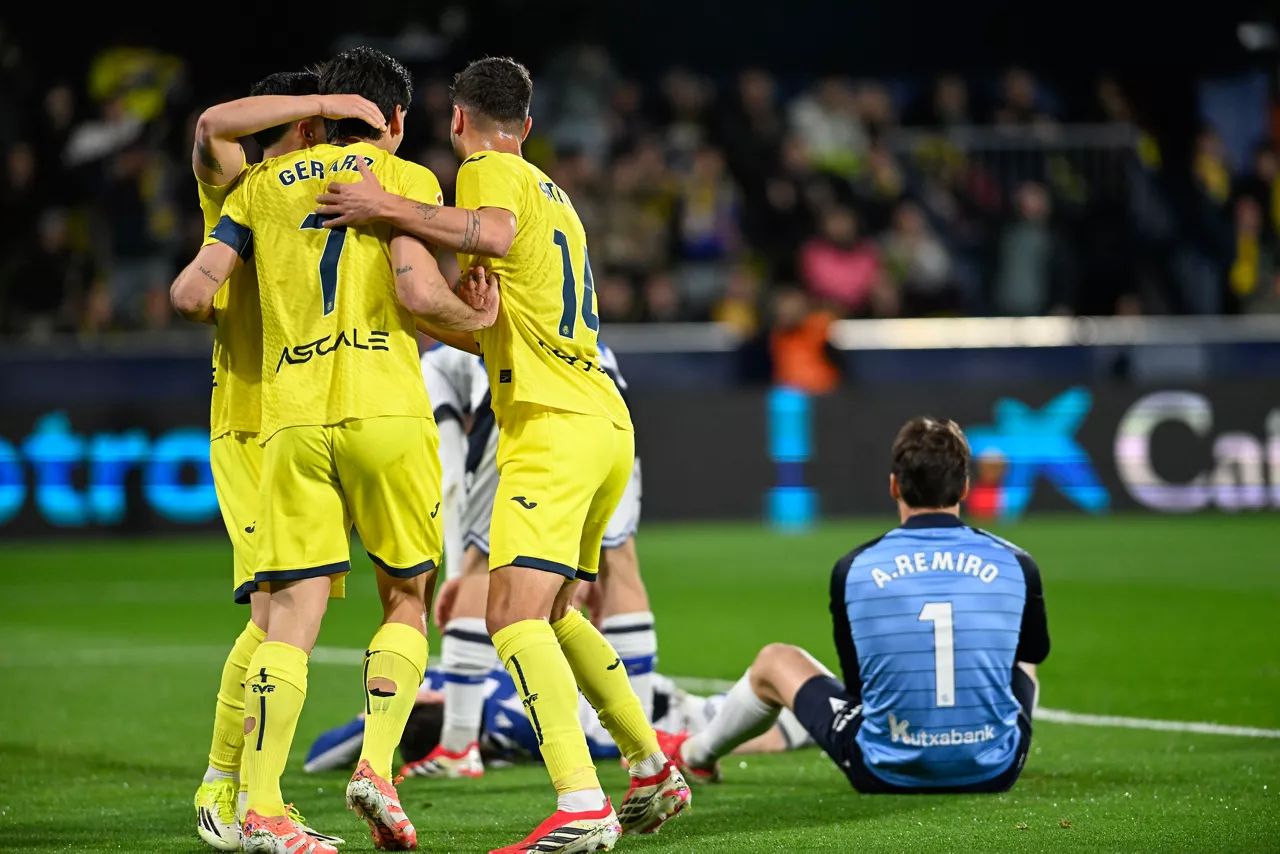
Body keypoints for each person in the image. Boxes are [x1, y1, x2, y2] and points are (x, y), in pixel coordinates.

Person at [315, 56, 688, 852]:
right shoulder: (559, 196)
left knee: (507, 614)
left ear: (458, 122)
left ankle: (581, 803)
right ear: (530, 123)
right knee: (553, 611)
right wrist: (458, 308)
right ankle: (651, 767)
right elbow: (484, 306)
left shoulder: (489, 171)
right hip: (601, 420)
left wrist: (387, 206)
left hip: (551, 425)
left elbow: (493, 233)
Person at [171, 46, 498, 854]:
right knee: (407, 595)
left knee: (285, 619)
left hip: (281, 419)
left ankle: (260, 802)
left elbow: (190, 290)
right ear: (391, 118)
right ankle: (374, 768)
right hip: (382, 408)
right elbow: (421, 293)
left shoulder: (252, 190)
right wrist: (476, 322)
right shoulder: (406, 181)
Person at [184, 70, 387, 852]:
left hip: (303, 420)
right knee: (278, 608)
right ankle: (226, 789)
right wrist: (325, 104)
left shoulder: (310, 191)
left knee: (285, 608)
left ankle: (231, 787)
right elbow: (211, 125)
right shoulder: (242, 188)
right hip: (249, 421)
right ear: (303, 127)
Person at [663, 417, 1050, 795]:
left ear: (894, 485)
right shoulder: (1017, 562)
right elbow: (1032, 655)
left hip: (884, 769)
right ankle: (977, 737)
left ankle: (695, 753)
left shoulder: (855, 568)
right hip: (996, 769)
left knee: (774, 661)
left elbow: (860, 689)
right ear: (965, 487)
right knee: (1023, 657)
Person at [416, 342, 658, 784]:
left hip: (530, 393)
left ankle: (458, 744)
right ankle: (643, 753)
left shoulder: (435, 360)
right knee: (621, 560)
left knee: (486, 559)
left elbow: (451, 482)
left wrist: (459, 571)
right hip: (604, 394)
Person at [305, 668, 812, 775]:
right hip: (624, 686)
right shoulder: (448, 674)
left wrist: (370, 725)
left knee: (763, 715)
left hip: (635, 707)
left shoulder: (501, 736)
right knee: (778, 704)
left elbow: (316, 758)